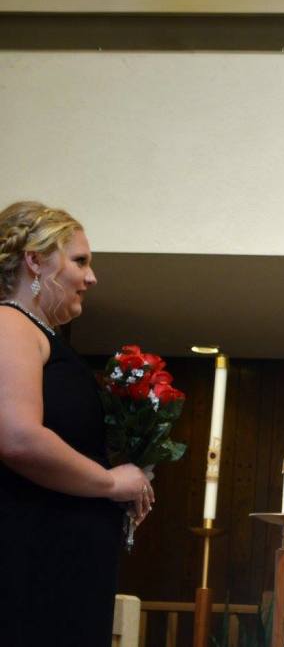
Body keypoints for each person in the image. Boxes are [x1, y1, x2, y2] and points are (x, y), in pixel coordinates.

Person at [0, 201, 154, 646]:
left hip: (58, 559)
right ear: (34, 260)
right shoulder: (11, 325)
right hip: (30, 560)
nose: (91, 277)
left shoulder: (40, 333)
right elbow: (17, 437)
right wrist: (109, 483)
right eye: (80, 261)